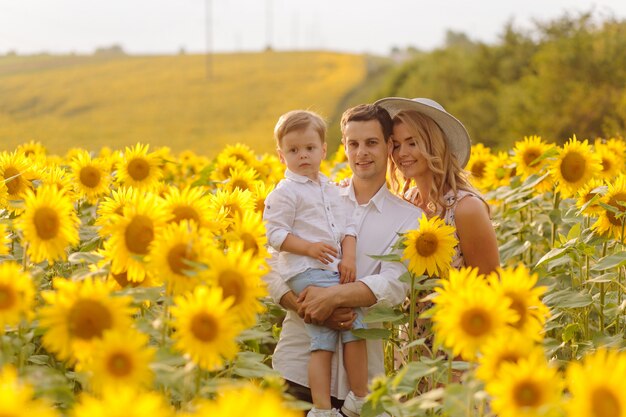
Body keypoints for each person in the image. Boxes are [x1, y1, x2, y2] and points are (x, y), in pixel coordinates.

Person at [263, 104, 422, 417]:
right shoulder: (311, 197)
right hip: (297, 366)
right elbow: (269, 267)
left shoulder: (409, 218)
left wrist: (334, 297)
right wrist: (308, 307)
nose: (361, 153)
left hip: (357, 389)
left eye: (371, 143)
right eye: (353, 144)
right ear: (342, 148)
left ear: (389, 146)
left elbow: (394, 284)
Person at [263, 110, 367, 417]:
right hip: (304, 270)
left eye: (309, 148)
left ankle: (341, 403)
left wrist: (347, 258)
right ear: (281, 156)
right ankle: (338, 403)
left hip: (329, 269)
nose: (303, 156)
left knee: (339, 331)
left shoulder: (330, 188)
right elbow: (275, 234)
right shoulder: (285, 192)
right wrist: (308, 247)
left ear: (323, 150)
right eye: (294, 151)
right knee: (342, 327)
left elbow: (348, 228)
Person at [375, 97, 499, 274]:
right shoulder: (406, 201)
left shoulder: (466, 209)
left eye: (413, 143)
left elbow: (489, 285)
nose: (402, 153)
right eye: (395, 145)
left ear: (434, 145)